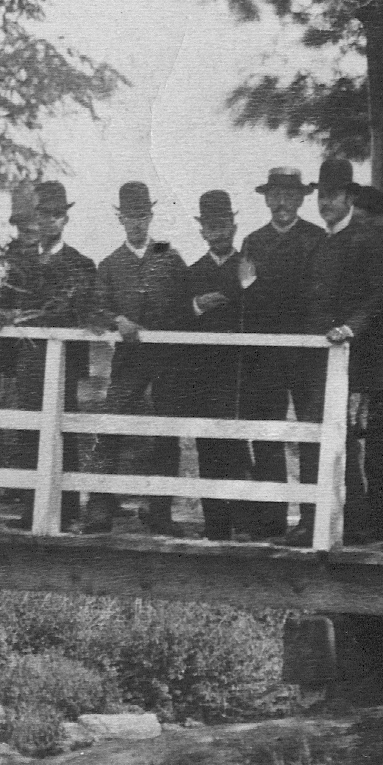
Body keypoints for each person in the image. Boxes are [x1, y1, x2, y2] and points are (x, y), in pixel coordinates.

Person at [80, 181, 190, 534]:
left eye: (143, 216)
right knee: (111, 427)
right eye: (130, 217)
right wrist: (116, 319)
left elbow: (186, 302)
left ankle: (160, 511)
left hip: (167, 361)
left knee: (166, 434)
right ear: (120, 218)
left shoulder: (169, 256)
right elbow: (95, 307)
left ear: (151, 216)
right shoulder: (110, 264)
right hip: (128, 360)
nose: (137, 223)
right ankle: (99, 508)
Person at [0, 178, 96, 527]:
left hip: (63, 363)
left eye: (57, 215)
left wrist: (30, 314)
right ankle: (31, 508)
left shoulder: (81, 263)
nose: (50, 221)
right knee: (29, 432)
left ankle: (66, 510)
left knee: (64, 430)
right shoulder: (19, 262)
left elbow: (73, 310)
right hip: (27, 361)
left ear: (66, 219)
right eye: (44, 214)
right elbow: (3, 301)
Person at [238, 164, 326, 543]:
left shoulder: (317, 239)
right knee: (267, 433)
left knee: (310, 434)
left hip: (307, 352)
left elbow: (320, 295)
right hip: (266, 353)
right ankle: (271, 518)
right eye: (275, 196)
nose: (282, 203)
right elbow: (247, 291)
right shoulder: (253, 242)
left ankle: (310, 519)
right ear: (267, 199)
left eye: (290, 196)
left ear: (302, 199)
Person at [310, 155, 383, 540]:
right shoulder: (321, 241)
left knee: (355, 442)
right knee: (324, 439)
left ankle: (362, 523)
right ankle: (323, 519)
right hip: (322, 360)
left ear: (348, 197)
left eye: (332, 196)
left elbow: (380, 295)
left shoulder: (368, 238)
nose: (325, 203)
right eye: (321, 196)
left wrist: (350, 328)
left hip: (360, 358)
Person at [176, 190, 259, 540]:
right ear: (202, 230)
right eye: (211, 226)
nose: (219, 232)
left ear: (235, 225)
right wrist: (196, 305)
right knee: (209, 448)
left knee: (238, 448)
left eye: (224, 224)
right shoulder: (193, 272)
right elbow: (176, 317)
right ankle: (216, 524)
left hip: (240, 372)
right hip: (205, 375)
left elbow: (260, 306)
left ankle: (246, 520)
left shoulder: (247, 265)